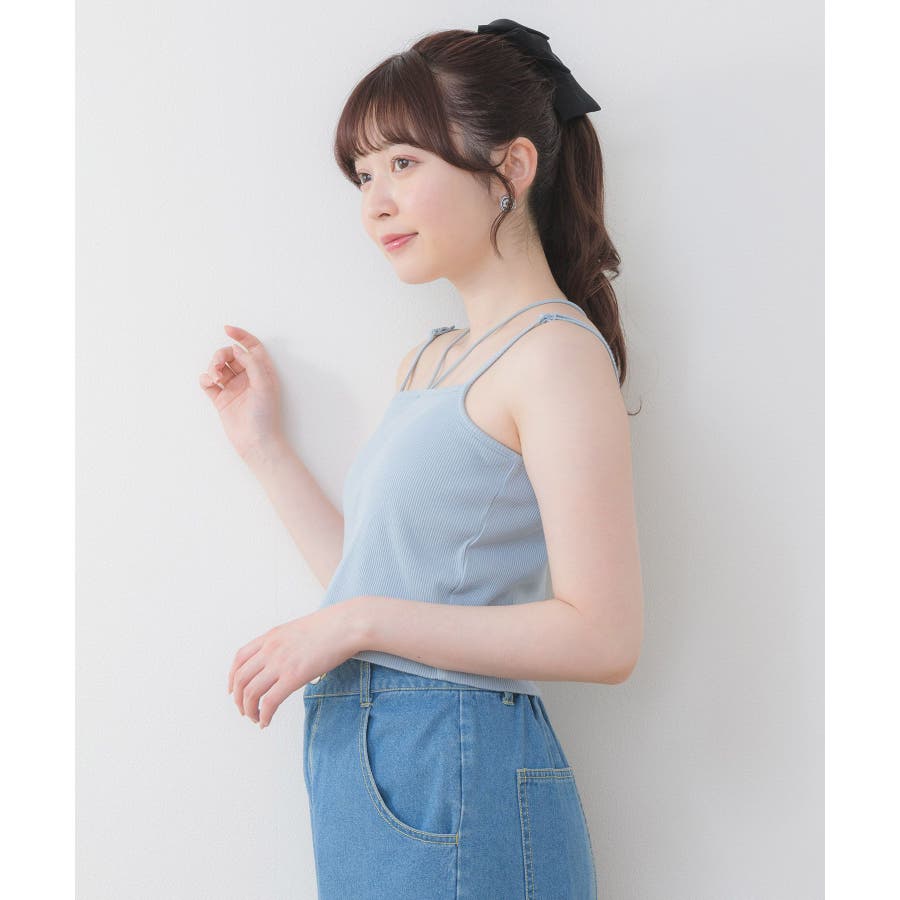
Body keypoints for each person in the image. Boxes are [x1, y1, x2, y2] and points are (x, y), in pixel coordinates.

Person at [199, 18, 644, 899]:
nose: (374, 203)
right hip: (372, 755)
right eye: (363, 175)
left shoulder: (555, 356)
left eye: (403, 163)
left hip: (453, 755)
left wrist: (354, 624)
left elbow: (605, 636)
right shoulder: (431, 360)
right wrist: (264, 447)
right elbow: (377, 580)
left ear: (511, 167)